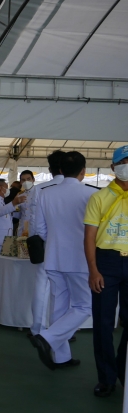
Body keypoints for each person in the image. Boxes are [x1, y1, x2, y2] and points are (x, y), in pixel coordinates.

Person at [32, 152, 96, 370]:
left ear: (60, 170)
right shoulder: (91, 193)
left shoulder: (46, 194)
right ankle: (47, 338)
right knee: (84, 306)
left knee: (59, 307)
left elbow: (40, 229)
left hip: (53, 257)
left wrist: (56, 243)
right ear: (83, 170)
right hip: (81, 259)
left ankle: (62, 357)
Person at [84, 145, 128, 398]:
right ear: (113, 167)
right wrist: (93, 269)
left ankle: (122, 369)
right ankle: (106, 378)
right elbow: (89, 237)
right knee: (103, 323)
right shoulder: (99, 198)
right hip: (106, 263)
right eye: (124, 162)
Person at [25, 151, 66, 340]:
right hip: (73, 248)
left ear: (50, 169)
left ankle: (38, 330)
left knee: (41, 287)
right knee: (66, 290)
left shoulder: (40, 189)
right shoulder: (85, 190)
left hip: (47, 244)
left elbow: (35, 223)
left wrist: (41, 241)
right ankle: (62, 329)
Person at [0, 179, 25, 258]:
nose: (8, 190)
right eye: (6, 187)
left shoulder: (1, 202)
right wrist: (14, 202)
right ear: (1, 188)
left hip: (4, 240)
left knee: (3, 266)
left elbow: (7, 213)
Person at [15, 170, 36, 236]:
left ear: (33, 180)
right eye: (23, 180)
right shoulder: (20, 195)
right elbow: (18, 213)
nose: (26, 182)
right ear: (21, 182)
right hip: (23, 228)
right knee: (22, 246)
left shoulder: (40, 193)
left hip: (36, 227)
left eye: (28, 179)